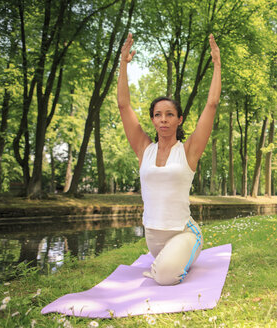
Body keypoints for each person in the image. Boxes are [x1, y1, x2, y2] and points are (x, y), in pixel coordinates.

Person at [117, 32, 221, 285]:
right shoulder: (144, 149)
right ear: (152, 119)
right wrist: (123, 63)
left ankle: (174, 259)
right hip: (154, 239)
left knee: (165, 277)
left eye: (170, 114)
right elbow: (123, 106)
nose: (163, 119)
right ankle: (164, 261)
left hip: (184, 232)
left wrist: (217, 64)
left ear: (179, 119)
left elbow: (212, 104)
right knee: (163, 268)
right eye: (158, 114)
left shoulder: (188, 151)